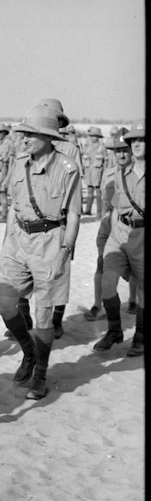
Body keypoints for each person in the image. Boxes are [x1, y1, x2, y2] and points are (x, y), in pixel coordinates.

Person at [0, 104, 81, 400]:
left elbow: (73, 215)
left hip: (50, 242)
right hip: (18, 239)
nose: (24, 139)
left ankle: (40, 372)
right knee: (5, 305)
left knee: (44, 318)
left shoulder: (67, 168)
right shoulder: (18, 164)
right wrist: (7, 240)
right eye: (23, 133)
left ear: (47, 137)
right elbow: (12, 207)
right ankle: (28, 352)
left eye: (30, 134)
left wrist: (65, 250)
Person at [93, 121, 145, 357]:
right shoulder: (120, 174)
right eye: (133, 141)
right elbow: (114, 209)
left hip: (142, 237)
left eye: (141, 140)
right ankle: (114, 331)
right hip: (120, 234)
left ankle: (140, 336)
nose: (136, 145)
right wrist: (110, 240)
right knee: (107, 282)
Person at [84, 128, 134, 320]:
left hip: (130, 226)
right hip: (108, 223)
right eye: (116, 150)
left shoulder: (138, 173)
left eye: (124, 149)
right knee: (101, 265)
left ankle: (132, 300)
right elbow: (105, 200)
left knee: (134, 267)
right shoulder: (108, 173)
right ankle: (98, 304)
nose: (120, 154)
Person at [82, 126, 107, 215]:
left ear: (98, 137)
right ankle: (88, 210)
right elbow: (83, 160)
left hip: (98, 173)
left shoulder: (102, 148)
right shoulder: (86, 147)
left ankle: (99, 211)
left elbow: (105, 162)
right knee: (89, 191)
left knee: (98, 192)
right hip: (89, 172)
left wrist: (104, 174)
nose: (93, 138)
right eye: (91, 136)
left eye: (95, 136)